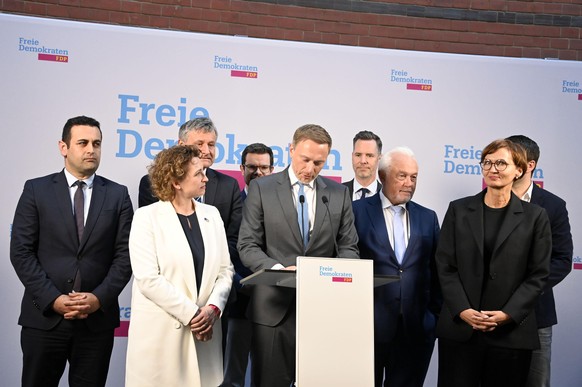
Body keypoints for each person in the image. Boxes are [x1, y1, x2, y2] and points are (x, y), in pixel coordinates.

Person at [10, 115, 133, 387]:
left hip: (95, 322)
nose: (91, 149)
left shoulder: (118, 195)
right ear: (63, 147)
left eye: (97, 143)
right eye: (83, 142)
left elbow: (125, 257)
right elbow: (21, 251)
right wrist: (53, 299)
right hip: (44, 318)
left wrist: (98, 298)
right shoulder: (36, 190)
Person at [238, 124, 359, 387]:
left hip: (322, 310)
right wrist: (278, 270)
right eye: (305, 160)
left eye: (319, 162)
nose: (311, 169)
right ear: (291, 150)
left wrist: (330, 275)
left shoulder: (338, 194)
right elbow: (247, 245)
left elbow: (349, 247)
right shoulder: (262, 188)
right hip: (272, 311)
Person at [435, 139, 552, 387]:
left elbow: (538, 274)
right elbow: (445, 265)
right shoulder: (458, 210)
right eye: (487, 162)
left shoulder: (535, 217)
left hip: (510, 334)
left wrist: (508, 314)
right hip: (461, 330)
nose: (493, 168)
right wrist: (462, 310)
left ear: (519, 170)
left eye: (501, 163)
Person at [126, 145, 234, 386]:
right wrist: (194, 315)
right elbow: (147, 279)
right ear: (176, 180)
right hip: (162, 339)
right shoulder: (147, 217)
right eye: (198, 173)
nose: (206, 177)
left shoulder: (212, 214)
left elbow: (225, 271)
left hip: (205, 336)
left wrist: (213, 309)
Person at [352, 146, 441, 387]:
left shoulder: (428, 217)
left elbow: (438, 272)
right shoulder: (355, 212)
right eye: (402, 175)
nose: (409, 183)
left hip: (415, 329)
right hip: (367, 327)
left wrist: (432, 317)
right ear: (382, 176)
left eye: (414, 177)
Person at [506, 135, 573, 387]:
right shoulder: (482, 201)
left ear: (529, 165)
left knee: (536, 382)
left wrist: (527, 289)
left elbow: (562, 259)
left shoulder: (553, 206)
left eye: (512, 159)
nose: (503, 165)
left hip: (536, 315)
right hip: (490, 313)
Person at [221, 143, 274, 387]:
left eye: (264, 167)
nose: (258, 172)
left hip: (274, 304)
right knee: (232, 378)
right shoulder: (231, 205)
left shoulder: (282, 208)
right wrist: (241, 284)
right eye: (252, 167)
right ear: (242, 169)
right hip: (239, 303)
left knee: (269, 377)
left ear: (272, 170)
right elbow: (224, 253)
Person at [343, 130, 383, 200]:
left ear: (379, 158)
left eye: (369, 155)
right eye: (358, 155)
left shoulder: (388, 196)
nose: (363, 161)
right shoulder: (337, 193)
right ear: (352, 156)